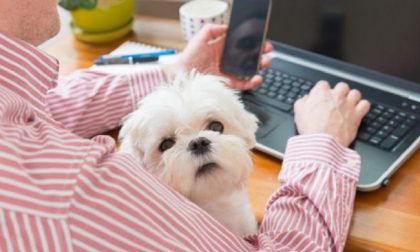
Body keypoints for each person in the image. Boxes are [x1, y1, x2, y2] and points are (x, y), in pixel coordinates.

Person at [0, 1, 370, 251]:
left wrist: (174, 72)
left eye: (215, 125)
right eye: (165, 144)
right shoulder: (68, 195)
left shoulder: (13, 107)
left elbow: (50, 105)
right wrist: (323, 142)